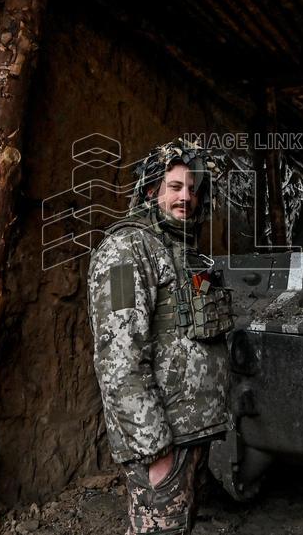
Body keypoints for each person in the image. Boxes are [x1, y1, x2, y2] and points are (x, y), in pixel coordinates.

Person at [87, 138, 233, 535]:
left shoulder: (180, 251)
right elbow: (119, 358)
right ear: (152, 190)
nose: (186, 197)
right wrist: (155, 450)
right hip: (164, 444)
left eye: (193, 189)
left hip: (192, 434)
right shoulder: (126, 251)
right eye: (175, 187)